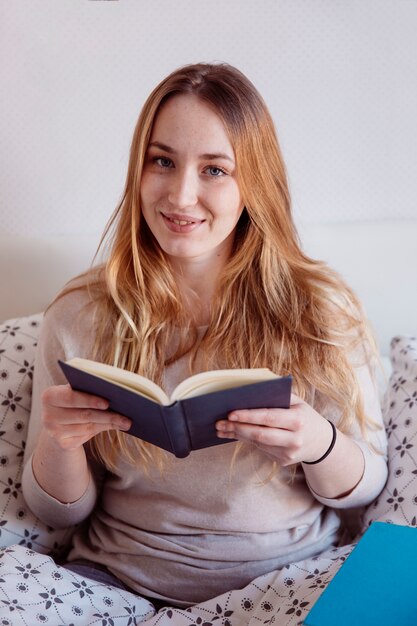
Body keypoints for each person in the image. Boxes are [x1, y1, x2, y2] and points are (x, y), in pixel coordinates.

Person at [22, 62, 388, 609]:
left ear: (253, 183)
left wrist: (318, 444)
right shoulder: (79, 314)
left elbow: (369, 488)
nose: (181, 195)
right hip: (120, 586)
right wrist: (60, 440)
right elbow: (55, 513)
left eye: (215, 170)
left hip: (290, 586)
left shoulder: (320, 309)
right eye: (162, 161)